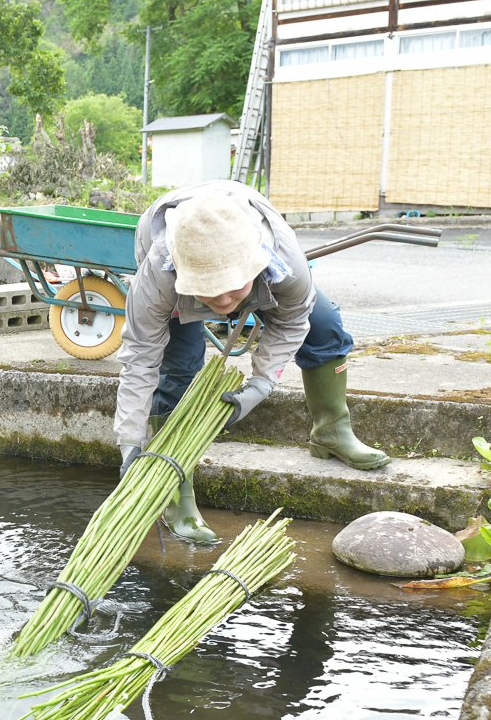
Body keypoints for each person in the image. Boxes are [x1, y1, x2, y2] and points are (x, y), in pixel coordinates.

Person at [114, 180, 388, 545]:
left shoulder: (285, 261)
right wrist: (130, 443)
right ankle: (176, 493)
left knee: (326, 328)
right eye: (209, 289)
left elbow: (293, 322)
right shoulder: (159, 275)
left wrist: (259, 386)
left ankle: (331, 432)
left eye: (234, 286)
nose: (224, 300)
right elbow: (140, 358)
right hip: (162, 245)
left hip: (255, 236)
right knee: (179, 365)